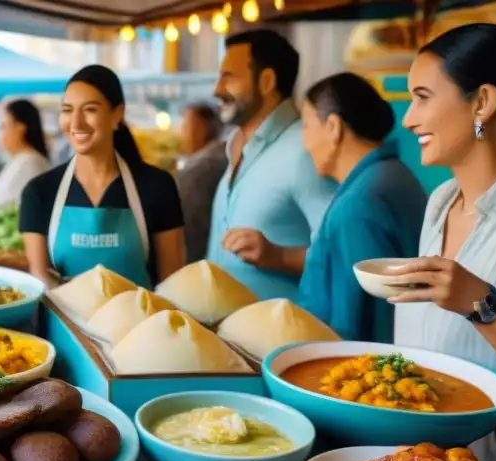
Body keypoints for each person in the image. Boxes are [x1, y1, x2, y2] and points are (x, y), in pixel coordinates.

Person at [388, 23, 496, 461]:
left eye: (423, 96)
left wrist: (481, 303)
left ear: (482, 103)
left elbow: (471, 305)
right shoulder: (441, 201)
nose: (409, 118)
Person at [19, 65, 185, 289]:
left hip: (139, 323)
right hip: (64, 322)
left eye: (90, 109)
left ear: (117, 114)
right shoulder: (40, 192)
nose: (76, 123)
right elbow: (41, 278)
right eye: (67, 110)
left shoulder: (157, 187)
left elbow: (172, 282)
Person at [297, 73, 427, 342]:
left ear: (333, 126)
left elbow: (357, 318)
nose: (304, 142)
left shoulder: (358, 205)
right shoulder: (394, 175)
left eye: (306, 126)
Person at [207, 30, 336, 300]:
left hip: (288, 338)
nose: (217, 90)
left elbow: (343, 254)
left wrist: (279, 256)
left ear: (266, 81)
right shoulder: (236, 146)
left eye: (228, 76)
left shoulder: (305, 149)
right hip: (228, 335)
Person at [177, 102, 227, 262]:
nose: (181, 132)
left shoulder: (198, 171)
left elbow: (189, 233)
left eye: (187, 125)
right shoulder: (227, 156)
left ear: (202, 128)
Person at [0, 99, 51, 209]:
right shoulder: (23, 160)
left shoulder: (29, 163)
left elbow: (3, 205)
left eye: (3, 127)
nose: (1, 135)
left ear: (20, 128)